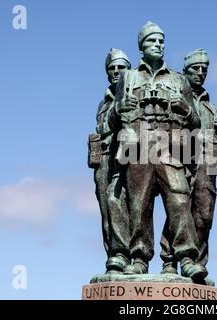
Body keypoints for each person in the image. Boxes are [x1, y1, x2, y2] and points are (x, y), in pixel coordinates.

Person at [109, 22, 207, 281]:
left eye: (162, 41)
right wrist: (119, 109)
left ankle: (186, 257)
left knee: (179, 198)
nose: (159, 45)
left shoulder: (178, 80)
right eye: (153, 41)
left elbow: (196, 121)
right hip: (136, 147)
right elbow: (110, 120)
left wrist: (184, 107)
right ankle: (139, 258)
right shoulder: (128, 78)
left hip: (169, 147)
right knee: (139, 203)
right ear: (142, 46)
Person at [160, 49, 217, 276]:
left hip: (207, 165)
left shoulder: (211, 107)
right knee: (179, 210)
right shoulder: (177, 97)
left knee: (204, 215)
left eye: (204, 69)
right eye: (195, 69)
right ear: (186, 71)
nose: (200, 73)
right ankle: (170, 260)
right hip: (181, 159)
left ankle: (197, 263)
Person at [91, 48, 131, 273]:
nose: (116, 72)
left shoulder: (132, 95)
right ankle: (114, 258)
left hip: (127, 156)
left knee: (124, 205)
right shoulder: (103, 102)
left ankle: (127, 256)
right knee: (107, 211)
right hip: (103, 158)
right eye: (112, 68)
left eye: (121, 67)